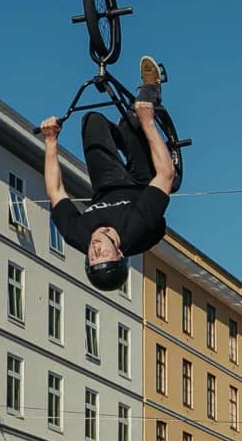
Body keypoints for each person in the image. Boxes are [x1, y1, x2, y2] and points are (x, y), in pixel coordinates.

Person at [40, 58, 175, 294]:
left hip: (107, 183)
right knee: (137, 118)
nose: (96, 250)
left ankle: (122, 135)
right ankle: (151, 88)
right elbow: (165, 175)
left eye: (92, 257)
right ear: (119, 253)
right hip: (144, 183)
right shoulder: (137, 228)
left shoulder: (77, 234)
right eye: (103, 255)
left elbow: (55, 191)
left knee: (91, 120)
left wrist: (50, 141)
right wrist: (148, 122)